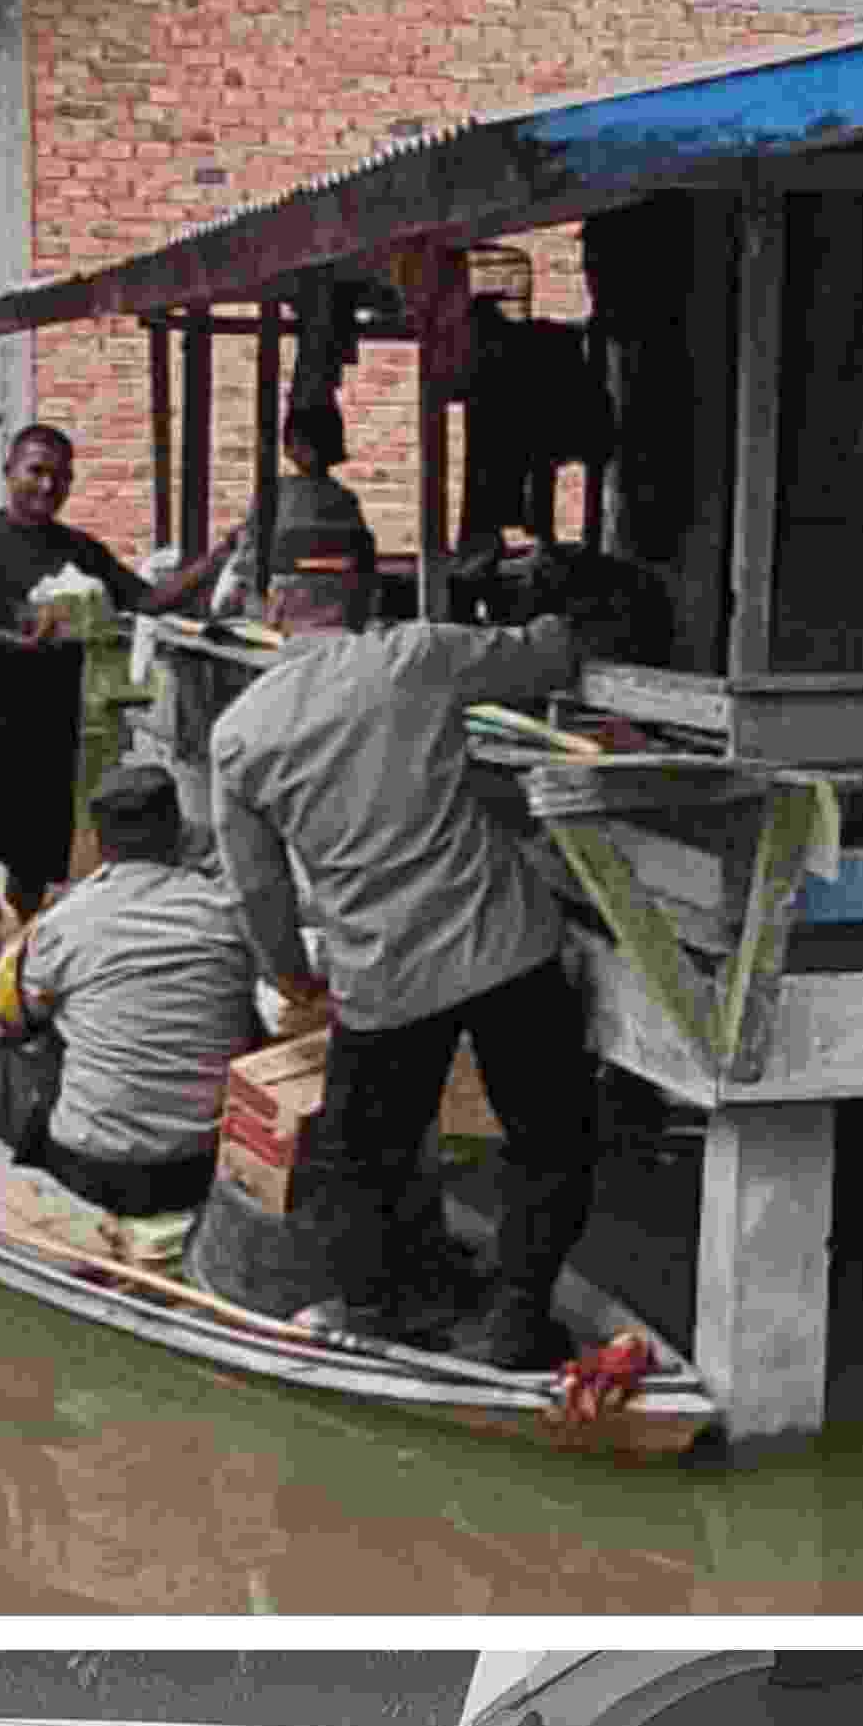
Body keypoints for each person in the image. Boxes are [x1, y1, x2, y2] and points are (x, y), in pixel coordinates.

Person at [206, 553, 632, 1369]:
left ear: (275, 609)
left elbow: (254, 888)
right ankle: (516, 1316)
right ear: (360, 599)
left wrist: (292, 974)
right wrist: (560, 601)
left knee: (362, 1156)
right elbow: (547, 653)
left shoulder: (239, 735)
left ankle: (377, 1308)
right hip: (504, 947)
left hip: (382, 974)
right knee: (548, 1137)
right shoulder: (413, 654)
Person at [0, 759, 263, 1230]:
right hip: (204, 1170)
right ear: (178, 834)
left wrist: (12, 948)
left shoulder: (66, 923)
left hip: (95, 1170)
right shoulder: (229, 912)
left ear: (98, 843)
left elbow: (5, 1022)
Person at [0, 425, 237, 918]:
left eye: (61, 477)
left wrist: (217, 559)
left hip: (49, 713)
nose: (48, 486)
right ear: (8, 472)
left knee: (33, 848)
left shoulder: (78, 549)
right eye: (36, 472)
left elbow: (148, 600)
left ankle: (20, 935)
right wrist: (17, 639)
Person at [230, 394, 378, 620]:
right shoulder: (347, 500)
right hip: (338, 612)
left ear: (290, 448)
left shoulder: (272, 494)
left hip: (281, 613)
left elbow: (246, 566)